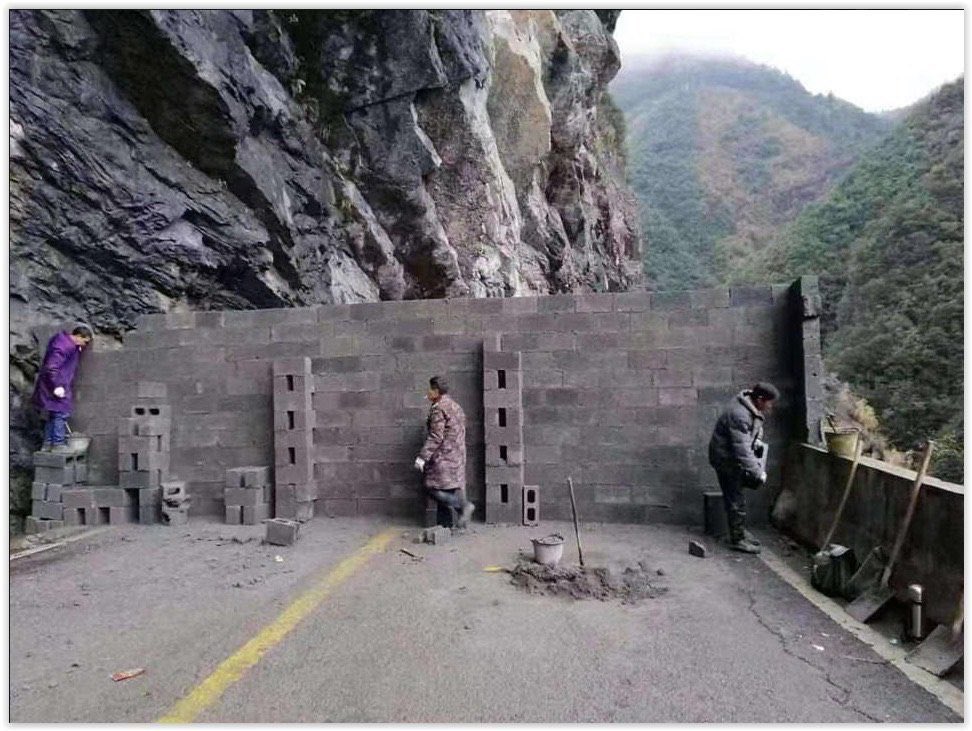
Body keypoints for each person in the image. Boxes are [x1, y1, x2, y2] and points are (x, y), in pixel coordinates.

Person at [707, 382, 779, 554]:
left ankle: (739, 531)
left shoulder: (748, 407)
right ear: (760, 399)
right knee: (735, 499)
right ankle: (737, 539)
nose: (771, 406)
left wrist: (757, 440)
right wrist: (758, 472)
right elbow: (742, 450)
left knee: (736, 496)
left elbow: (751, 430)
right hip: (726, 461)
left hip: (730, 458)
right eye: (769, 402)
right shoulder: (739, 414)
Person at [415, 376, 474, 528]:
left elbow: (436, 436)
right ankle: (445, 528)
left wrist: (422, 457)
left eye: (430, 389)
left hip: (444, 458)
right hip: (457, 456)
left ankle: (463, 506)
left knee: (431, 488)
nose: (428, 392)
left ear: (436, 391)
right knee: (446, 490)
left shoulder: (439, 409)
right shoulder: (455, 406)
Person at [32, 324, 93, 453]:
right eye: (85, 342)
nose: (85, 345)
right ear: (78, 336)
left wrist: (78, 349)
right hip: (56, 385)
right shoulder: (63, 346)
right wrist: (57, 385)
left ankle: (47, 444)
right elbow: (52, 366)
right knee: (61, 413)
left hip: (53, 385)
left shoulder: (66, 343)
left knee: (53, 414)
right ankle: (58, 444)